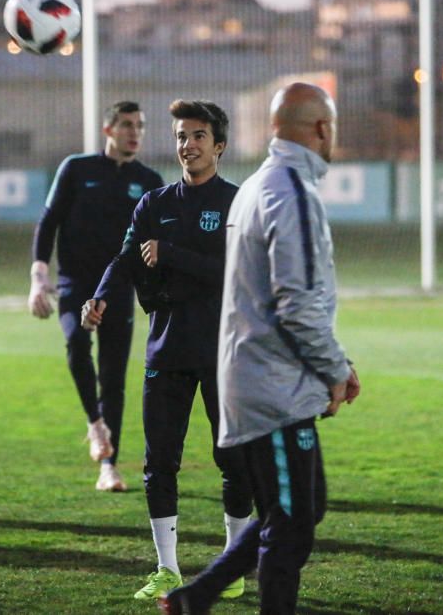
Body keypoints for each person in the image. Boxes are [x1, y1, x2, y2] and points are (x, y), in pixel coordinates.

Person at [160, 82, 360, 615]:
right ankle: (199, 597)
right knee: (290, 529)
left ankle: (195, 596)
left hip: (259, 377)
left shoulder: (256, 186)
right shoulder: (290, 192)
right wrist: (336, 370)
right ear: (321, 128)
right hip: (273, 388)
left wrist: (337, 365)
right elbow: (295, 303)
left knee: (298, 509)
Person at [81, 100, 252, 601]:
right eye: (181, 136)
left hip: (224, 352)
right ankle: (167, 569)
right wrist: (100, 296)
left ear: (218, 146)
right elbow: (125, 258)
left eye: (198, 136)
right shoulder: (154, 203)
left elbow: (236, 273)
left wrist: (173, 253)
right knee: (159, 464)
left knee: (234, 461)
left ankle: (232, 566)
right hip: (167, 351)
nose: (187, 145)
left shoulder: (236, 204)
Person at [29, 101, 163, 492]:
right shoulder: (76, 168)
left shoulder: (150, 180)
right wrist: (39, 277)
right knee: (75, 342)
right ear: (108, 131)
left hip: (118, 291)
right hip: (73, 284)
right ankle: (94, 422)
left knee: (114, 380)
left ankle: (109, 465)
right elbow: (48, 221)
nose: (134, 132)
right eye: (126, 125)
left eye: (139, 125)